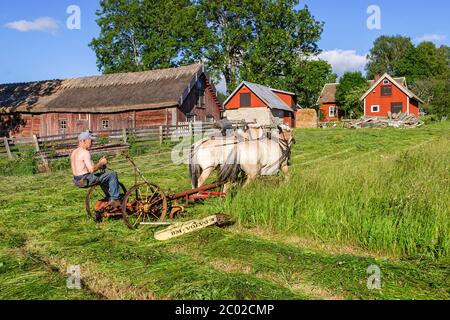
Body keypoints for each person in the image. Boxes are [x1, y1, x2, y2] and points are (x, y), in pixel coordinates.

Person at [71, 131, 122, 208]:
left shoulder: (74, 152)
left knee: (102, 177)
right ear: (83, 141)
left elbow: (86, 168)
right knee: (112, 174)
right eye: (90, 141)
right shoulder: (85, 152)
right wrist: (101, 163)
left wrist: (99, 165)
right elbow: (91, 170)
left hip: (77, 181)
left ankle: (109, 196)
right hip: (86, 179)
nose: (92, 143)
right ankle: (115, 199)